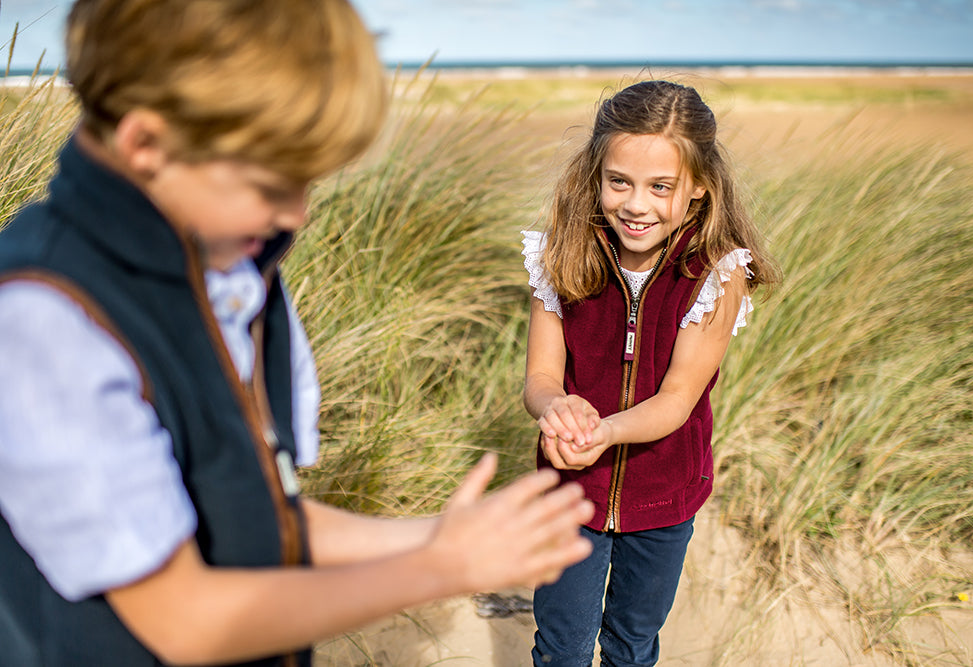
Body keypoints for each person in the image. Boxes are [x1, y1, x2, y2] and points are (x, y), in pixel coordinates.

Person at [0, 1, 595, 665]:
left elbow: (269, 518)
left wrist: (437, 536)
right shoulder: (46, 319)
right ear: (146, 144)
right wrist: (440, 570)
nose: (299, 213)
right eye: (272, 182)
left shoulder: (234, 265)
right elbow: (181, 619)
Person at [521, 79, 781, 666]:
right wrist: (556, 409)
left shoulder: (716, 272)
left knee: (632, 646)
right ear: (597, 176)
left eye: (660, 187)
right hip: (569, 494)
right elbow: (540, 377)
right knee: (560, 647)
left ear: (698, 190)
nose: (636, 205)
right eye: (620, 182)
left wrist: (604, 433)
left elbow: (677, 399)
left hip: (663, 497)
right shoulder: (560, 252)